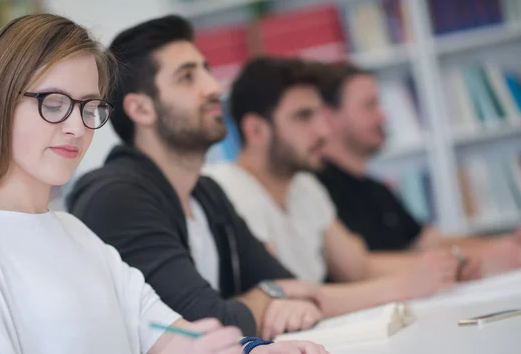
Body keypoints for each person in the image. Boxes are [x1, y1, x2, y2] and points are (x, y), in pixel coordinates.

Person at [0, 14, 336, 354]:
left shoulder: (75, 233)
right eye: (53, 104)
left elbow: (174, 336)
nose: (76, 127)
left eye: (90, 107)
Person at [66, 15, 329, 342]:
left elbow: (299, 289)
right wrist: (270, 297)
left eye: (206, 70)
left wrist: (272, 297)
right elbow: (204, 327)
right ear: (142, 110)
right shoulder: (116, 198)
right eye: (188, 77)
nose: (215, 87)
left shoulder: (207, 193)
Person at [204, 56, 484, 318]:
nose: (323, 131)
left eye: (318, 115)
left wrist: (444, 267)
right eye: (303, 117)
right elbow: (286, 298)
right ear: (255, 130)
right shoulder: (227, 189)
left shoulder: (304, 185)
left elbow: (358, 266)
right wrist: (407, 284)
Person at [314, 61, 521, 275]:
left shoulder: (376, 188)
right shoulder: (317, 190)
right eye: (369, 105)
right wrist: (459, 262)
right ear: (330, 116)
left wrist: (505, 244)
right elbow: (358, 266)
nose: (382, 116)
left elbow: (426, 241)